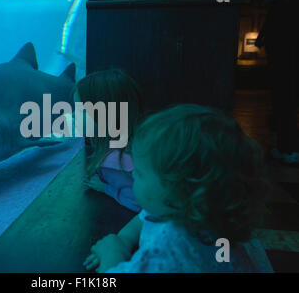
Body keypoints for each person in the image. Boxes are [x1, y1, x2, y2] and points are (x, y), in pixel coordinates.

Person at [84, 104, 273, 272]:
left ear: (178, 190)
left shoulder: (173, 248)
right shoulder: (199, 214)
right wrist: (123, 240)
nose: (132, 175)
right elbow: (142, 218)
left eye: (140, 172)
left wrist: (112, 254)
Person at [74, 69, 143, 212]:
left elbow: (140, 203)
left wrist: (107, 189)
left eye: (82, 111)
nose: (73, 115)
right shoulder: (134, 140)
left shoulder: (116, 162)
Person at [254, 0, 299, 165]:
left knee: (282, 82)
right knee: (289, 80)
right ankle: (282, 136)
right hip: (285, 13)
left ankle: (286, 143)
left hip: (281, 14)